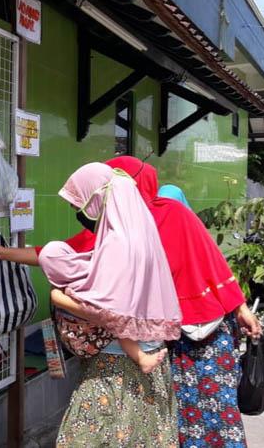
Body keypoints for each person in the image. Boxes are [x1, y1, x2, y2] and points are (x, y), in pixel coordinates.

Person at [0, 156, 261, 447]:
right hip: (159, 341)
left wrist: (239, 307)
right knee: (168, 419)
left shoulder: (156, 220)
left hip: (199, 331)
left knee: (207, 411)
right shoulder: (117, 227)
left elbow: (209, 261)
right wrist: (1, 252)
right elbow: (58, 255)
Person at [39, 163, 181, 447]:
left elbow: (109, 313)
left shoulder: (118, 243)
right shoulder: (141, 236)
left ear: (98, 197)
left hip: (116, 368)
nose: (78, 212)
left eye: (80, 202)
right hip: (149, 359)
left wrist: (59, 298)